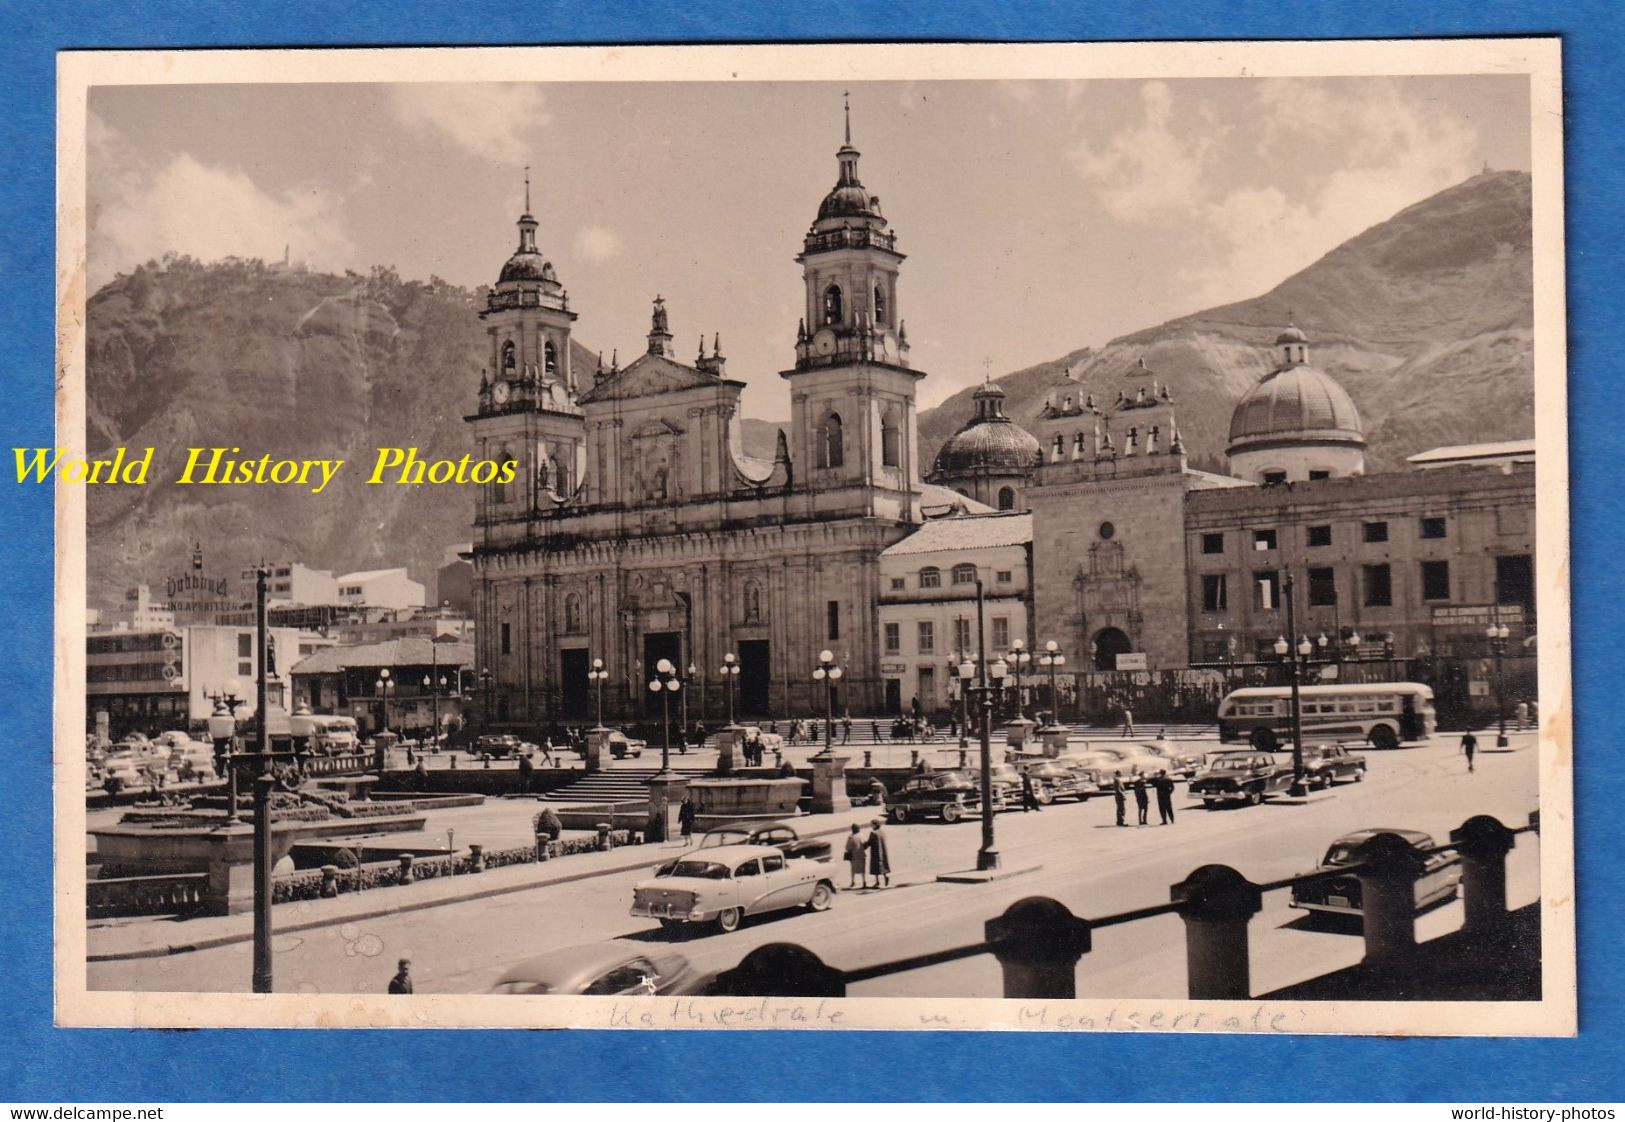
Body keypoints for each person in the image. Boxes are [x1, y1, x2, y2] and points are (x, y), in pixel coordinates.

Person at [866, 818, 891, 888]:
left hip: (875, 852)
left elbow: (869, 842)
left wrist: (863, 846)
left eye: (871, 825)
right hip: (883, 851)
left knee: (875, 868)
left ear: (874, 825)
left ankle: (877, 882)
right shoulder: (882, 832)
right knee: (883, 865)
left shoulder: (873, 833)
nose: (871, 826)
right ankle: (885, 876)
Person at [844, 823, 868, 889]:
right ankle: (864, 881)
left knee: (853, 869)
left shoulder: (851, 837)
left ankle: (853, 881)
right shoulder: (862, 835)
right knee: (862, 869)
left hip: (853, 856)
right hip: (862, 855)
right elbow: (866, 844)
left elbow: (847, 847)